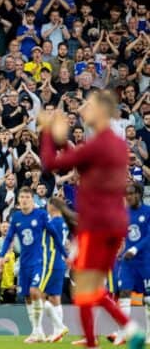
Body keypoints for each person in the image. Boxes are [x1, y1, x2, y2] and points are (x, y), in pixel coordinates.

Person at [39, 90, 146, 349]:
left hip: (97, 225)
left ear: (102, 111)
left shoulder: (98, 145)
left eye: (89, 105)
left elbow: (49, 163)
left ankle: (109, 336)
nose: (83, 109)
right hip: (114, 224)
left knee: (84, 289)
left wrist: (46, 131)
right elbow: (82, 163)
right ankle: (112, 335)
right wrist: (63, 140)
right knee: (90, 287)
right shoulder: (115, 144)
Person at [0, 187, 67, 343]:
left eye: (27, 197)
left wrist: (65, 254)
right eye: (21, 197)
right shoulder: (16, 217)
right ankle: (37, 332)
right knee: (28, 297)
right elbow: (9, 237)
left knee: (36, 292)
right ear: (18, 200)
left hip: (39, 261)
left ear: (32, 199)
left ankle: (59, 325)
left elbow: (55, 235)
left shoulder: (41, 215)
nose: (24, 199)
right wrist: (2, 255)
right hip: (24, 262)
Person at [113, 182, 150, 345]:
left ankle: (149, 332)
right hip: (128, 262)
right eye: (126, 194)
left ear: (139, 194)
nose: (128, 197)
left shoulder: (148, 212)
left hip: (145, 261)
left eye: (132, 193)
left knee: (147, 299)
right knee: (124, 294)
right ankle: (123, 332)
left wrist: (134, 249)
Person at [40, 197, 72, 343]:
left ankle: (59, 327)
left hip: (51, 262)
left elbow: (55, 242)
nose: (46, 207)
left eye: (48, 205)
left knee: (37, 295)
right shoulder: (63, 223)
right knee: (55, 298)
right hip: (59, 263)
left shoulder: (54, 223)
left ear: (53, 206)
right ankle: (56, 334)